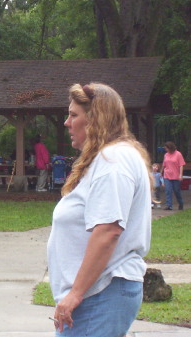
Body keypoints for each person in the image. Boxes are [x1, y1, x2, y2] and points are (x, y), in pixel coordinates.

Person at [47, 83, 152, 337]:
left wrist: (75, 294)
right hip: (98, 294)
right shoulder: (107, 159)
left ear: (95, 119)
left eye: (74, 115)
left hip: (100, 293)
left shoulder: (113, 160)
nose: (66, 122)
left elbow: (108, 231)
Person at [161, 141, 185, 210]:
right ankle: (169, 205)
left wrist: (180, 175)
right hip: (167, 175)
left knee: (176, 190)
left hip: (176, 176)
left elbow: (181, 165)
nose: (166, 150)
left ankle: (180, 203)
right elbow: (164, 164)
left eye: (167, 148)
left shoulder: (178, 154)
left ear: (170, 147)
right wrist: (161, 172)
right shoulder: (166, 155)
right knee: (168, 190)